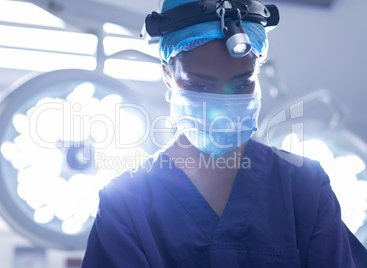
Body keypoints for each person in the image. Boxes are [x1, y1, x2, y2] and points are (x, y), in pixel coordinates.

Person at [82, 0, 367, 267]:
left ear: (257, 75)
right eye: (202, 87)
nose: (221, 110)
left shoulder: (303, 188)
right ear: (168, 75)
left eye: (241, 85)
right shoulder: (126, 204)